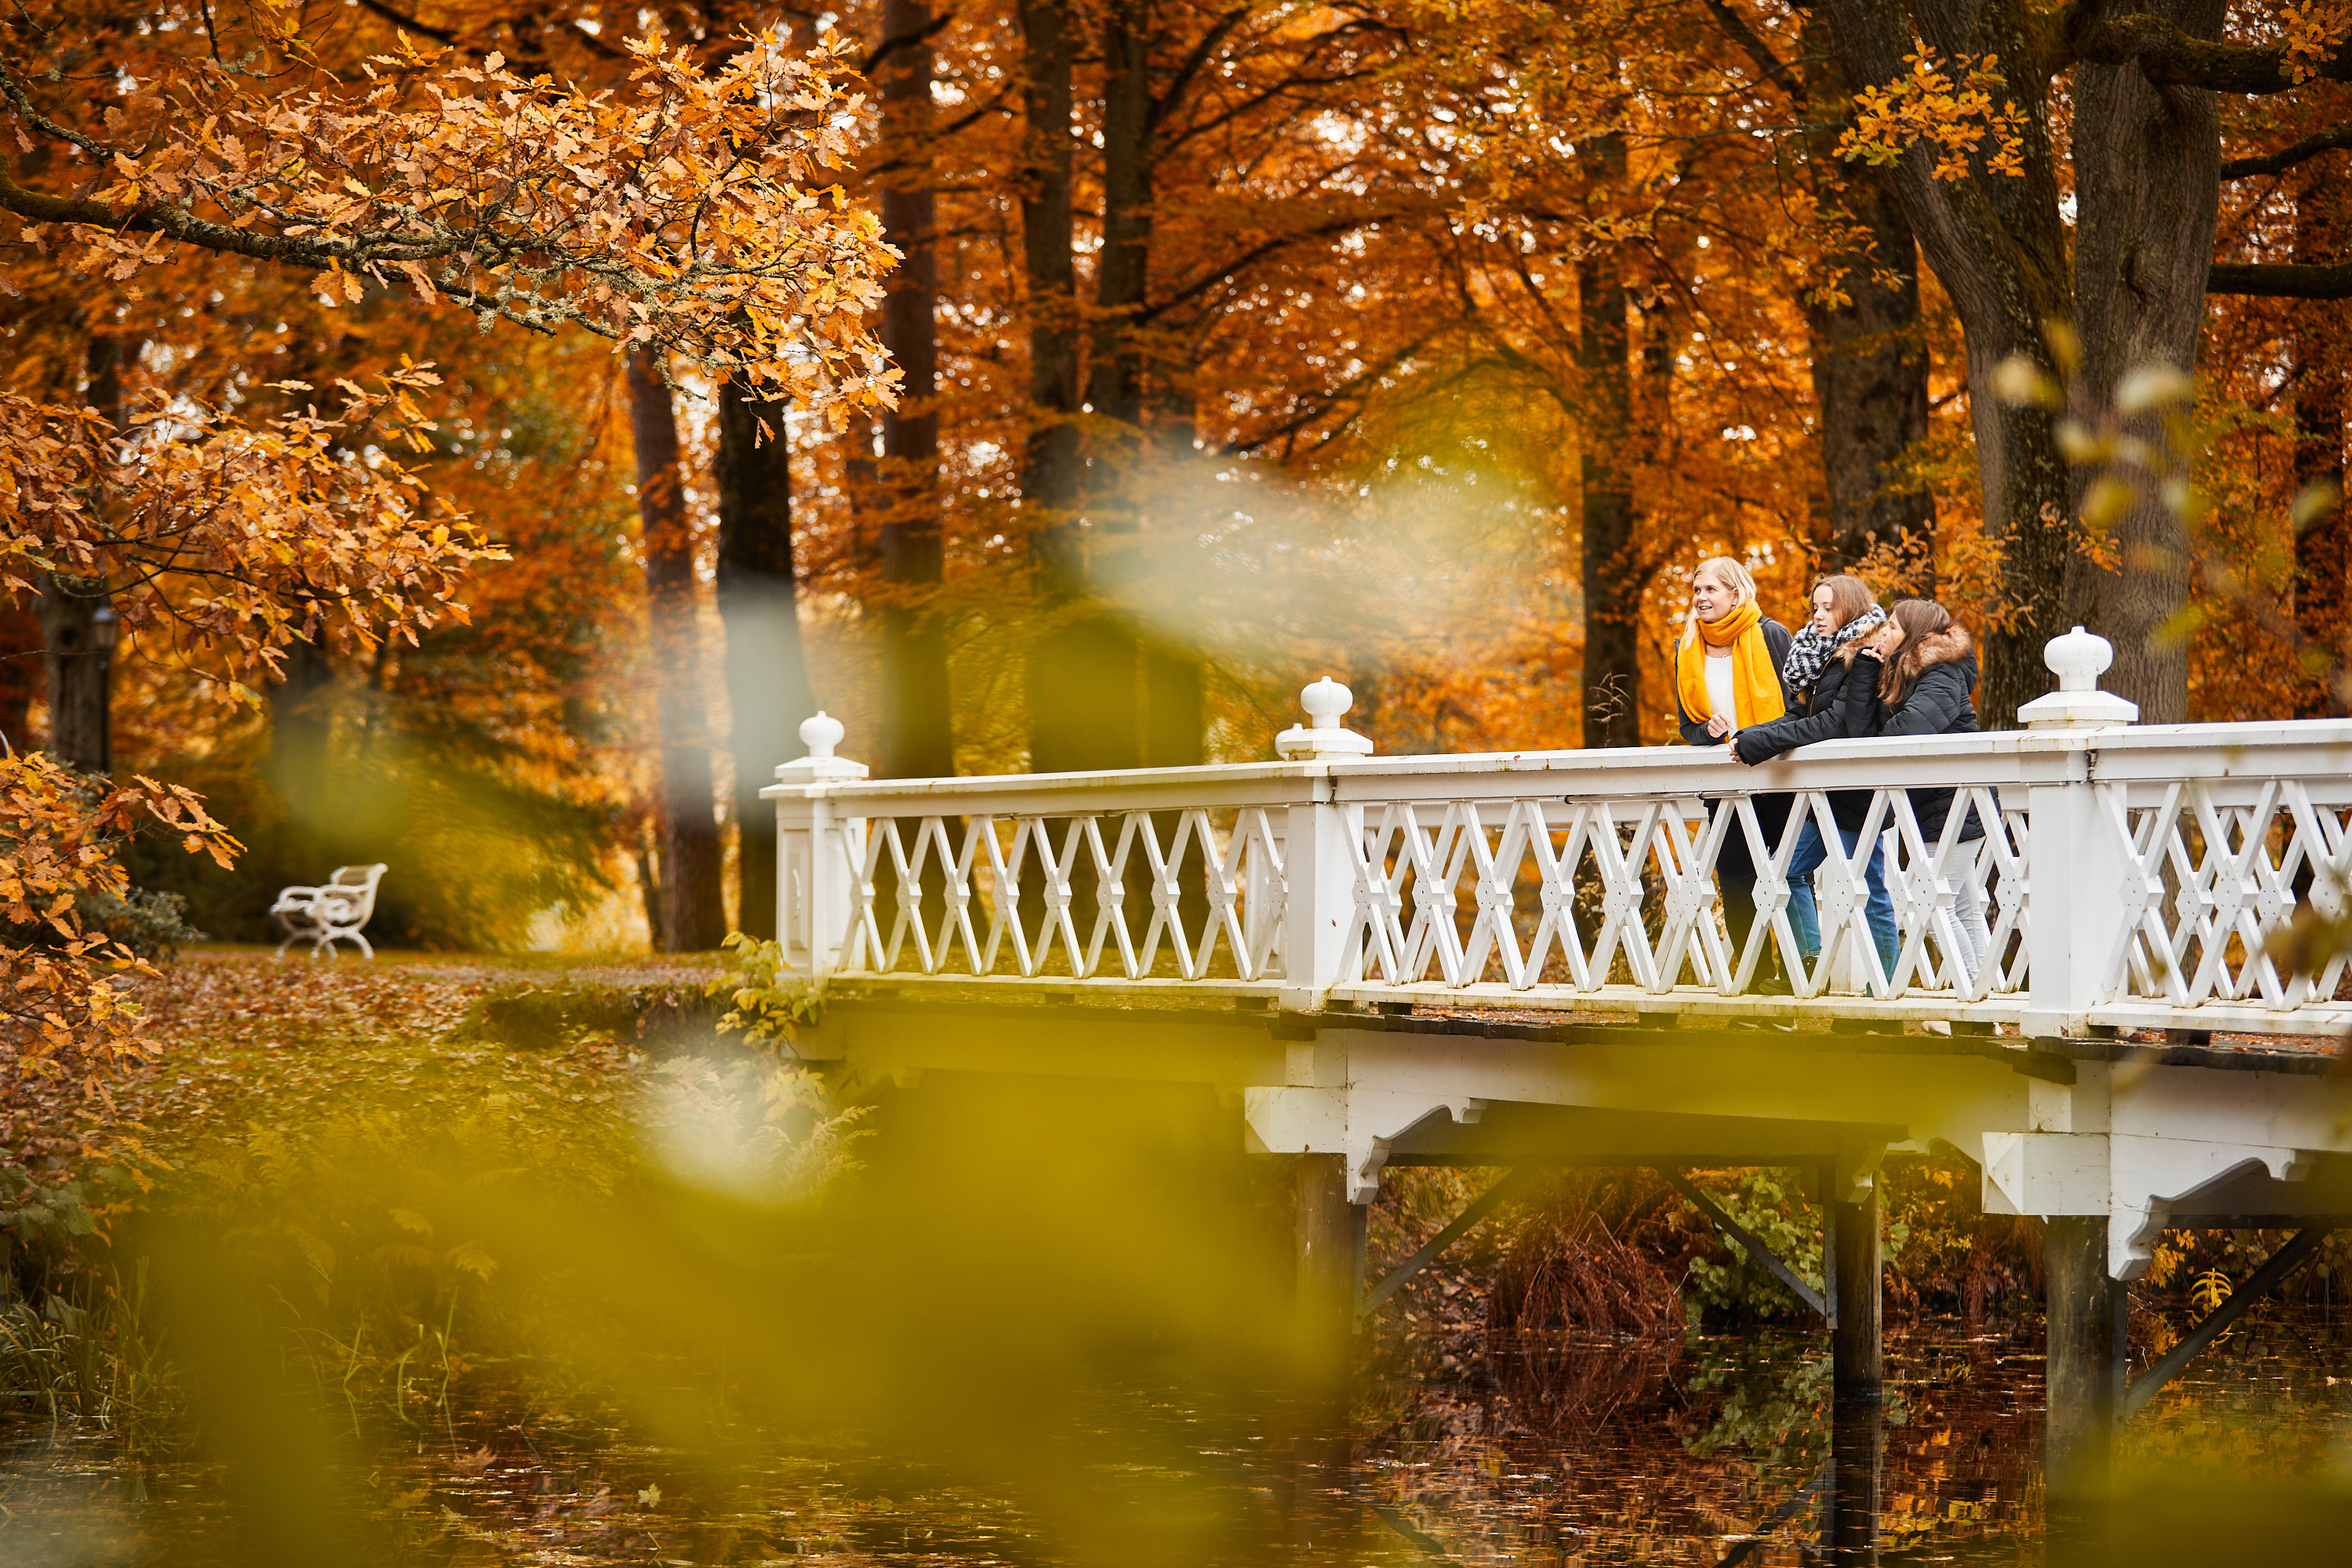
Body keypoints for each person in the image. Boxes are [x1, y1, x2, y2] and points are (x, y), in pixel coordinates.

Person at [1730, 575, 1897, 978]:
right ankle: (1811, 963)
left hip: (1857, 791)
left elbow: (1831, 725)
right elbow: (1800, 715)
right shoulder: (1819, 654)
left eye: (1828, 608)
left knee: (1870, 892)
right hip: (1827, 794)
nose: (1818, 617)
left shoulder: (1864, 655)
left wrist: (1758, 744)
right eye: (1815, 608)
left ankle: (1885, 994)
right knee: (1782, 871)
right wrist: (1751, 735)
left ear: (1851, 607)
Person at [1848, 599, 1992, 988]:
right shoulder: (1901, 675)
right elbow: (1859, 729)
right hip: (1939, 806)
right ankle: (1983, 1000)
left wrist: (1874, 748)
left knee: (1932, 906)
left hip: (1958, 805)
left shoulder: (1942, 675)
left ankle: (1974, 998)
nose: (1883, 633)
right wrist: (1865, 669)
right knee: (1959, 905)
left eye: (1892, 627)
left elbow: (1911, 730)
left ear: (1913, 634)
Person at [1671, 557, 1795, 987]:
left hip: (1777, 775)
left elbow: (1797, 708)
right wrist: (1707, 730)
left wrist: (1758, 737)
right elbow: (1687, 726)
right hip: (1722, 784)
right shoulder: (1686, 647)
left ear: (1736, 593)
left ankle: (1800, 979)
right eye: (1697, 590)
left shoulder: (1771, 635)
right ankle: (1757, 978)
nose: (1701, 598)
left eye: (1711, 590)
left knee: (1786, 878)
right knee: (1737, 881)